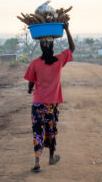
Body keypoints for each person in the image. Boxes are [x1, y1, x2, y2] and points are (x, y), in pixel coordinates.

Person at [24, 23, 75, 173]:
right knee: (51, 130)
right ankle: (51, 157)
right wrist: (66, 29)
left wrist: (30, 89)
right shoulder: (59, 61)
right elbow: (72, 48)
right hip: (51, 104)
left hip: (38, 103)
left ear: (41, 47)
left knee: (37, 131)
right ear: (52, 47)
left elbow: (30, 83)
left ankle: (37, 160)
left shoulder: (34, 64)